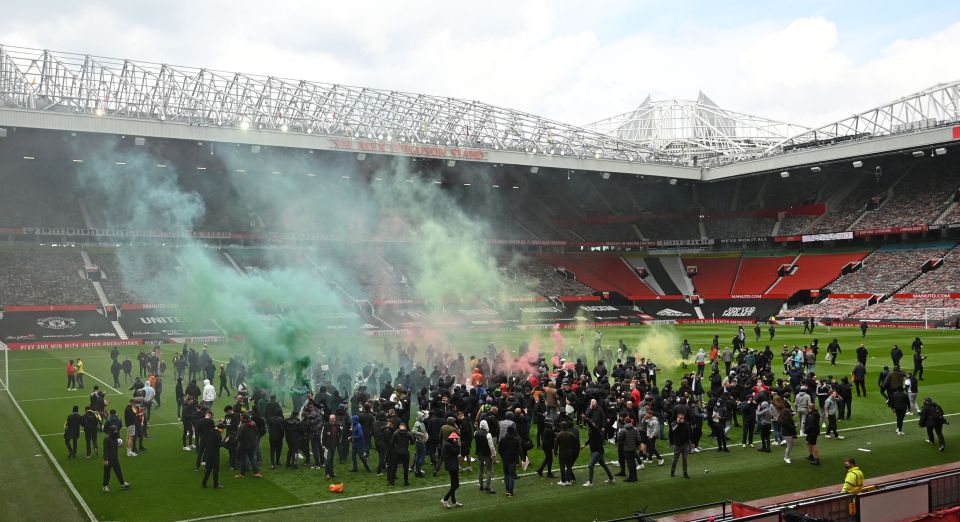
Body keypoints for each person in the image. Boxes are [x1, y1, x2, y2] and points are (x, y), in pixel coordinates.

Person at [583, 421, 614, 486]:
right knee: (603, 465)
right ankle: (611, 478)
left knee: (590, 465)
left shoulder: (595, 430)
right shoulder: (590, 430)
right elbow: (590, 439)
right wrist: (585, 445)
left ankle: (590, 482)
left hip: (597, 451)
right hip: (595, 451)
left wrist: (585, 419)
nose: (588, 425)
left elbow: (590, 425)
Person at [101, 425, 130, 493]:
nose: (116, 431)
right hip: (109, 459)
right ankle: (105, 486)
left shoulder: (115, 438)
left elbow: (118, 446)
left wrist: (120, 444)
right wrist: (106, 459)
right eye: (114, 430)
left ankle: (122, 483)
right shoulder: (107, 439)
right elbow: (106, 450)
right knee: (107, 473)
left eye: (116, 430)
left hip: (115, 458)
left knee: (118, 471)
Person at [235, 413, 262, 478]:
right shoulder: (253, 423)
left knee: (243, 460)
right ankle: (256, 473)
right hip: (253, 444)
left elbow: (239, 436)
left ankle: (242, 474)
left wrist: (236, 440)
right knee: (252, 459)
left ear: (244, 418)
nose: (240, 418)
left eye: (241, 417)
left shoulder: (243, 425)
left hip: (243, 445)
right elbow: (257, 433)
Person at [475, 419, 498, 493]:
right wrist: (494, 455)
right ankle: (488, 486)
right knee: (489, 470)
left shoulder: (476, 433)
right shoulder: (488, 434)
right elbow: (491, 447)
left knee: (480, 470)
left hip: (479, 453)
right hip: (486, 454)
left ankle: (481, 486)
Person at [441, 432, 462, 509]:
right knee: (456, 485)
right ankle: (445, 499)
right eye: (456, 439)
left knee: (453, 484)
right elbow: (457, 452)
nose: (457, 440)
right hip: (452, 466)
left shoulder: (447, 444)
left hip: (451, 465)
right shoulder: (449, 445)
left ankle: (454, 502)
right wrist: (457, 444)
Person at [499, 425, 522, 496]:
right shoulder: (516, 440)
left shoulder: (503, 439)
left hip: (505, 459)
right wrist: (522, 458)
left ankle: (507, 490)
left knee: (506, 475)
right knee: (511, 475)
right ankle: (511, 491)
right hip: (512, 460)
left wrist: (502, 457)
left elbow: (499, 450)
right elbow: (519, 450)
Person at [669, 412, 691, 478]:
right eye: (680, 418)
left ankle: (685, 473)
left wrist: (690, 443)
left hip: (685, 444)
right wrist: (678, 424)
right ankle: (672, 471)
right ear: (677, 418)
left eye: (683, 418)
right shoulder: (673, 424)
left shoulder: (686, 424)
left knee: (685, 460)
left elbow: (688, 433)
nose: (682, 419)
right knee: (675, 459)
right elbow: (674, 431)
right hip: (677, 445)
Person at [202, 423, 224, 489]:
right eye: (223, 429)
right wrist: (225, 442)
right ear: (221, 429)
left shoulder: (211, 431)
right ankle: (216, 485)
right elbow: (219, 444)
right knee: (216, 470)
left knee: (208, 470)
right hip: (215, 455)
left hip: (208, 453)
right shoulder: (218, 435)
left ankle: (204, 483)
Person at [556, 421, 578, 486]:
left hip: (562, 452)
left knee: (562, 467)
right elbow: (576, 440)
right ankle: (569, 481)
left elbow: (556, 445)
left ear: (561, 427)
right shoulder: (570, 434)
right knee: (569, 467)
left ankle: (563, 481)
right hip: (570, 452)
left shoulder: (559, 434)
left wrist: (555, 452)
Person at [321, 414, 340, 479]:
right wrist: (323, 445)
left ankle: (332, 472)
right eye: (330, 419)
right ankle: (327, 473)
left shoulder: (337, 426)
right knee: (327, 460)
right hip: (327, 446)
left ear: (335, 419)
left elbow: (339, 434)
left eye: (332, 419)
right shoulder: (326, 426)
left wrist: (338, 441)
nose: (331, 420)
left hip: (333, 446)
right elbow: (322, 436)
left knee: (331, 460)